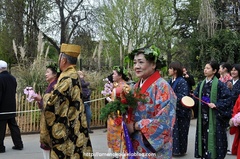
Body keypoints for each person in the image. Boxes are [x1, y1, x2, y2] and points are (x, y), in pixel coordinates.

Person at [126, 45, 177, 158]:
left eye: (141, 62)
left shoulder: (163, 87)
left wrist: (135, 126)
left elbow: (164, 122)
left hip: (153, 148)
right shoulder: (135, 87)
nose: (136, 66)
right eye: (134, 63)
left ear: (153, 64)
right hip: (135, 144)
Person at [43, 43, 93, 158]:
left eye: (59, 57)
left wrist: (44, 98)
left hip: (68, 129)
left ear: (64, 60)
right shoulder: (73, 74)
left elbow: (52, 103)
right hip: (75, 124)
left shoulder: (67, 78)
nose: (58, 60)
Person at [193, 61, 232, 159]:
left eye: (208, 68)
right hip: (203, 117)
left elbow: (228, 99)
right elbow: (195, 96)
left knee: (216, 139)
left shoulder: (220, 84)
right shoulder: (201, 84)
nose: (205, 70)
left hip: (215, 117)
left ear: (214, 71)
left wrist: (216, 105)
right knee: (203, 138)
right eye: (205, 68)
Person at [33, 63, 59, 159]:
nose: (45, 74)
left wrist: (40, 99)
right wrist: (39, 100)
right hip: (46, 119)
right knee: (46, 143)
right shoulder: (50, 85)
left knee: (49, 143)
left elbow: (53, 104)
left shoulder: (55, 86)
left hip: (52, 120)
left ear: (54, 74)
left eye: (48, 72)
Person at [0, 60, 24, 153]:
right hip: (11, 106)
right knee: (13, 126)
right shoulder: (13, 78)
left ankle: (0, 147)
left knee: (1, 128)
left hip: (2, 108)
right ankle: (19, 144)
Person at [168, 61, 191, 156]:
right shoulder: (170, 81)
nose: (168, 70)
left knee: (181, 131)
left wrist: (170, 98)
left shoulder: (182, 81)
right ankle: (174, 150)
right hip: (172, 109)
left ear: (175, 70)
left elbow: (183, 96)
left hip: (181, 110)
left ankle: (180, 150)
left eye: (170, 68)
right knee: (173, 131)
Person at [107, 66, 129, 155]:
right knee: (112, 133)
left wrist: (110, 100)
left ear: (120, 76)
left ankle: (118, 153)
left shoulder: (124, 87)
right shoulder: (116, 85)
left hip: (118, 115)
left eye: (114, 73)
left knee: (118, 134)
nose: (112, 75)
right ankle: (115, 151)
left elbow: (125, 102)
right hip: (113, 114)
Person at [226, 64, 240, 155]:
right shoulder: (229, 81)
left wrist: (231, 89)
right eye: (232, 70)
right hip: (229, 108)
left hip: (237, 109)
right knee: (228, 128)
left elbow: (236, 96)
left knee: (235, 129)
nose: (233, 72)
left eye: (235, 70)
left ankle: (233, 148)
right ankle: (229, 147)